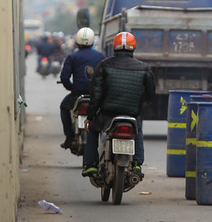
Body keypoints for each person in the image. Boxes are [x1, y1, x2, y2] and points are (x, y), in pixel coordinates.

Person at [82, 31, 155, 179]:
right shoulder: (144, 68)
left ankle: (90, 164)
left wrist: (90, 116)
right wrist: (140, 102)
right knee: (138, 130)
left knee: (93, 131)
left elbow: (96, 94)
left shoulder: (104, 65)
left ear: (114, 47)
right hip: (132, 114)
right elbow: (150, 94)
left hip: (107, 115)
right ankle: (137, 163)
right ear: (133, 48)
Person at [59, 27, 105, 149]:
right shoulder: (101, 57)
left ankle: (69, 138)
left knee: (64, 107)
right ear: (92, 41)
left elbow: (64, 78)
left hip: (77, 95)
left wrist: (73, 88)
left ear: (77, 41)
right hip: (97, 95)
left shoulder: (72, 57)